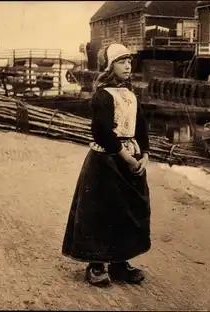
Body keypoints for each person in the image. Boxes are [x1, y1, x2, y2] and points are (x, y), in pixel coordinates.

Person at [61, 43, 151, 287]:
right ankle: (97, 265)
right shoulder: (103, 95)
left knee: (128, 210)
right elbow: (100, 132)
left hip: (131, 159)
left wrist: (144, 155)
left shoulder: (131, 95)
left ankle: (120, 263)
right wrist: (126, 156)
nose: (128, 66)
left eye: (130, 62)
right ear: (111, 66)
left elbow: (140, 127)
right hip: (107, 160)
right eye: (122, 62)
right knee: (101, 212)